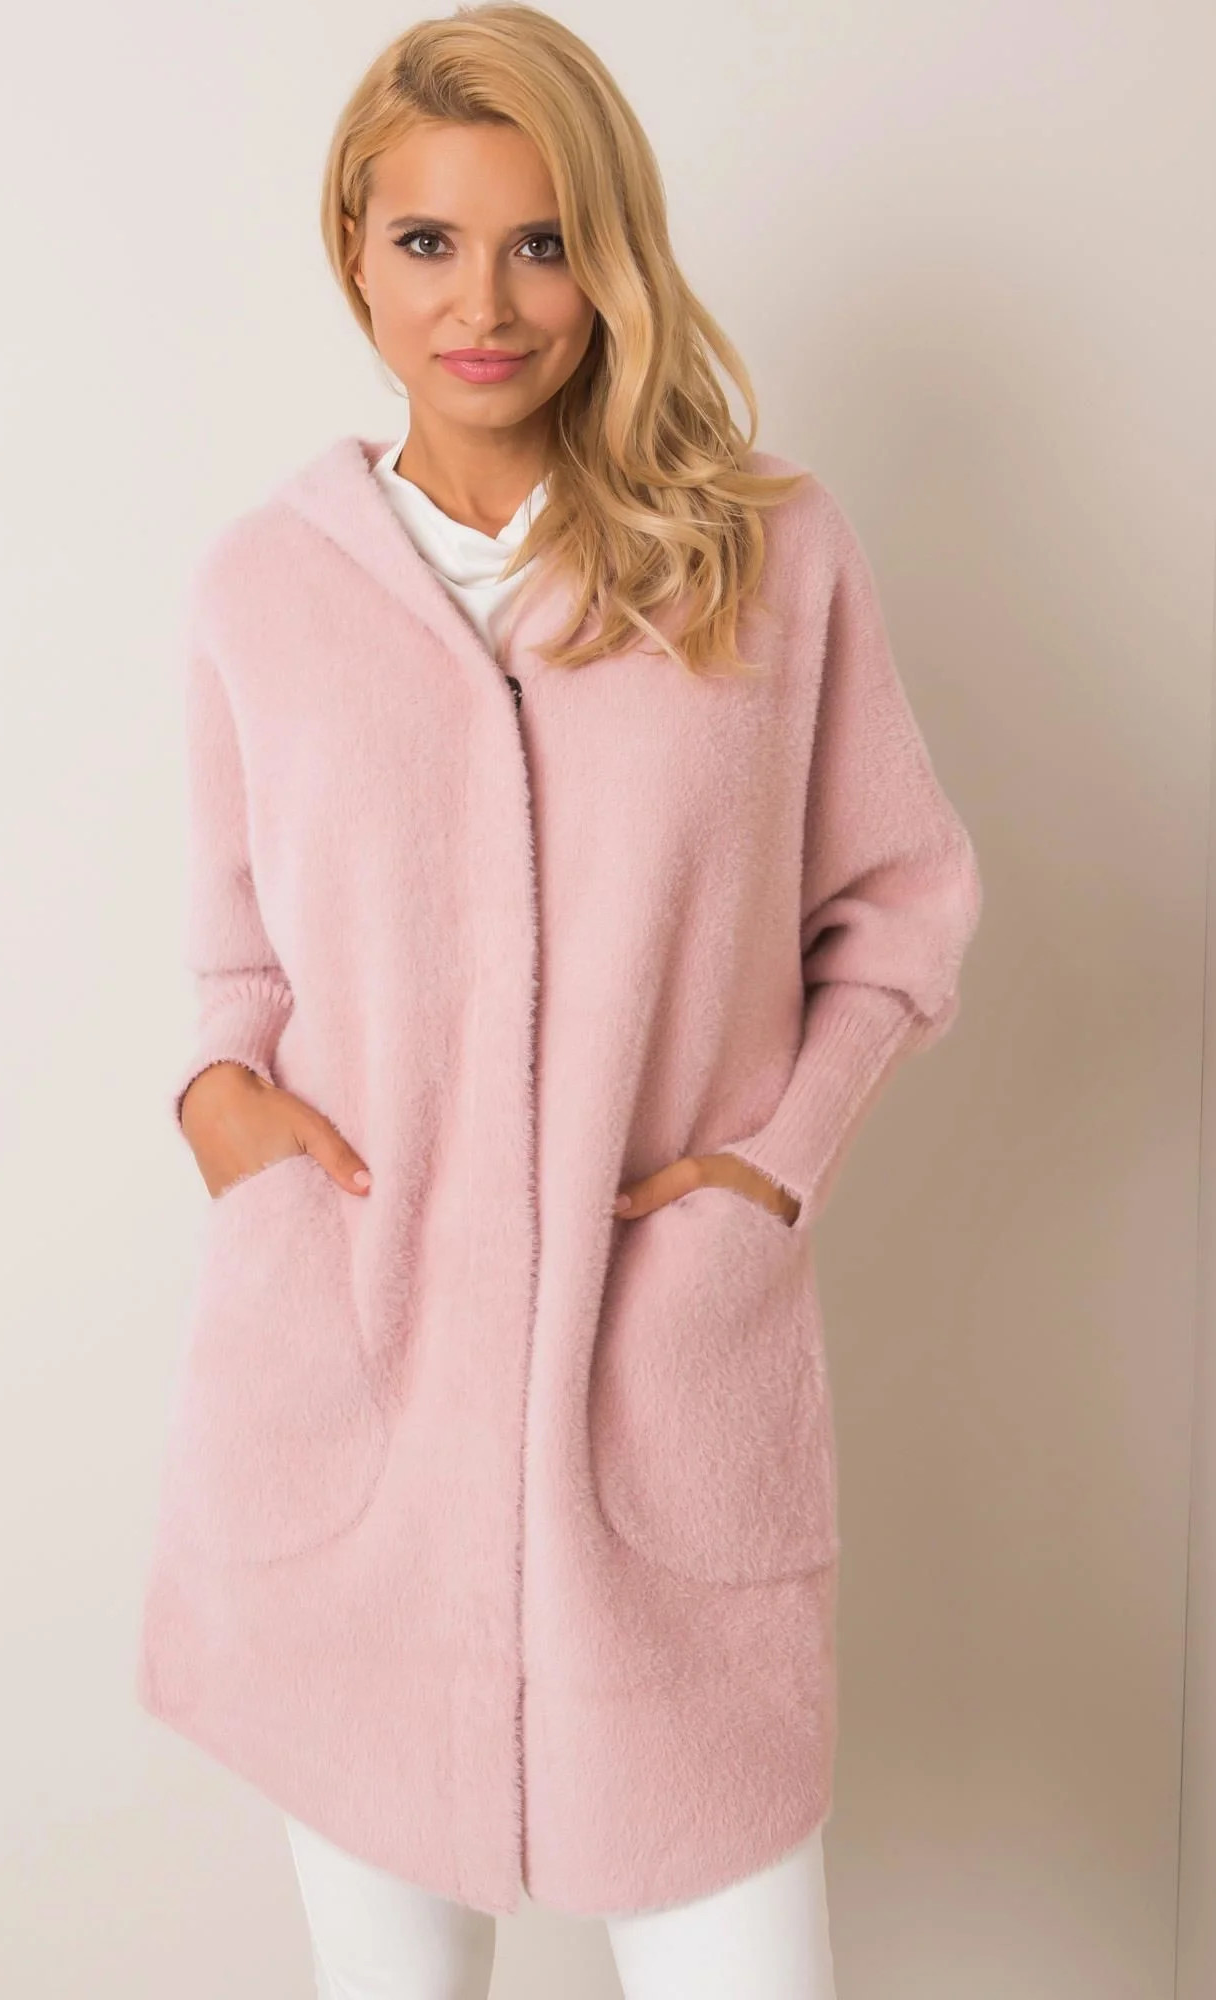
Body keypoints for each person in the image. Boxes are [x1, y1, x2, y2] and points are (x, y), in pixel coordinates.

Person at [135, 8, 983, 1996]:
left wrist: (764, 1177)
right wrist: (222, 1113)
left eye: (542, 243)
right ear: (353, 251)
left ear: (610, 259)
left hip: (659, 1418)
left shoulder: (763, 557)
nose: (486, 303)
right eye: (429, 242)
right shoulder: (261, 588)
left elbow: (901, 907)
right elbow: (236, 962)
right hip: (351, 1427)